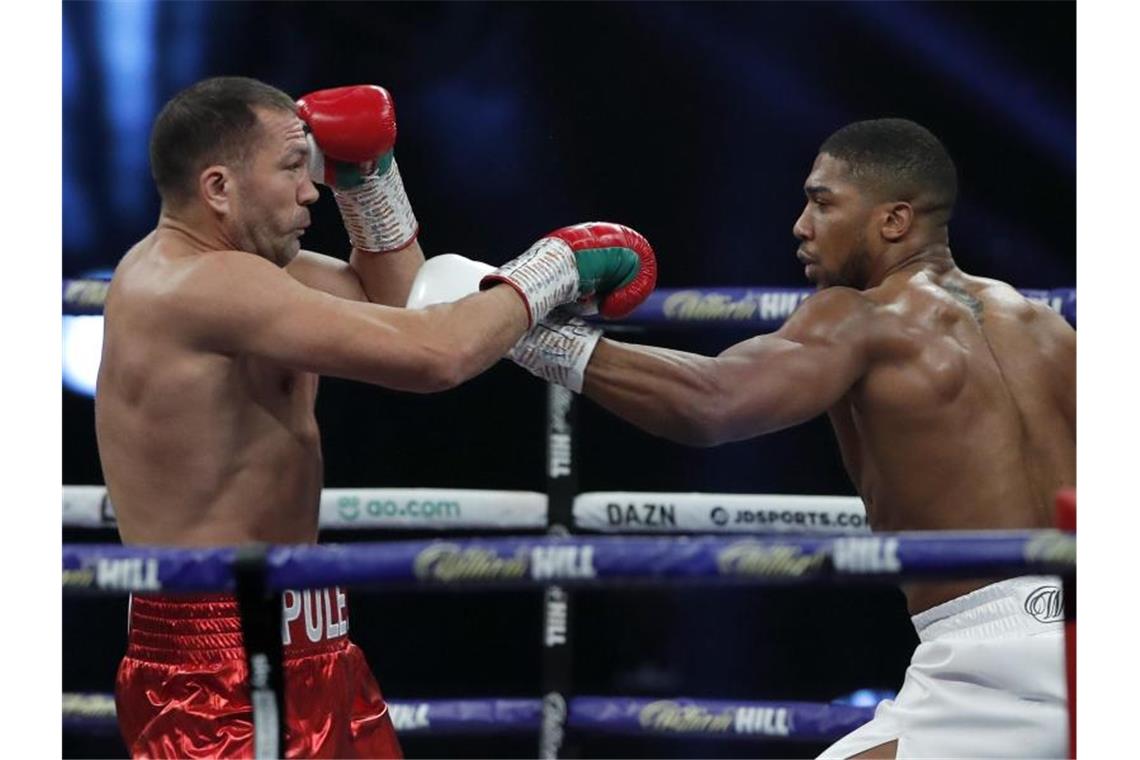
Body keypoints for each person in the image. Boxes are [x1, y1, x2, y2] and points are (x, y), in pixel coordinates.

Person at [424, 118, 1074, 758]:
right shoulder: (1047, 327)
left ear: (893, 221)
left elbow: (711, 402)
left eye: (822, 202)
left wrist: (522, 329)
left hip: (986, 659)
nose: (801, 224)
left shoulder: (864, 316)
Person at [93, 76, 655, 759]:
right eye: (294, 167)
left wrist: (369, 181)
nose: (311, 189)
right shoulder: (199, 285)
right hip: (217, 665)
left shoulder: (247, 269)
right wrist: (556, 265)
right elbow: (433, 356)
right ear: (218, 188)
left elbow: (399, 305)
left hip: (312, 637)